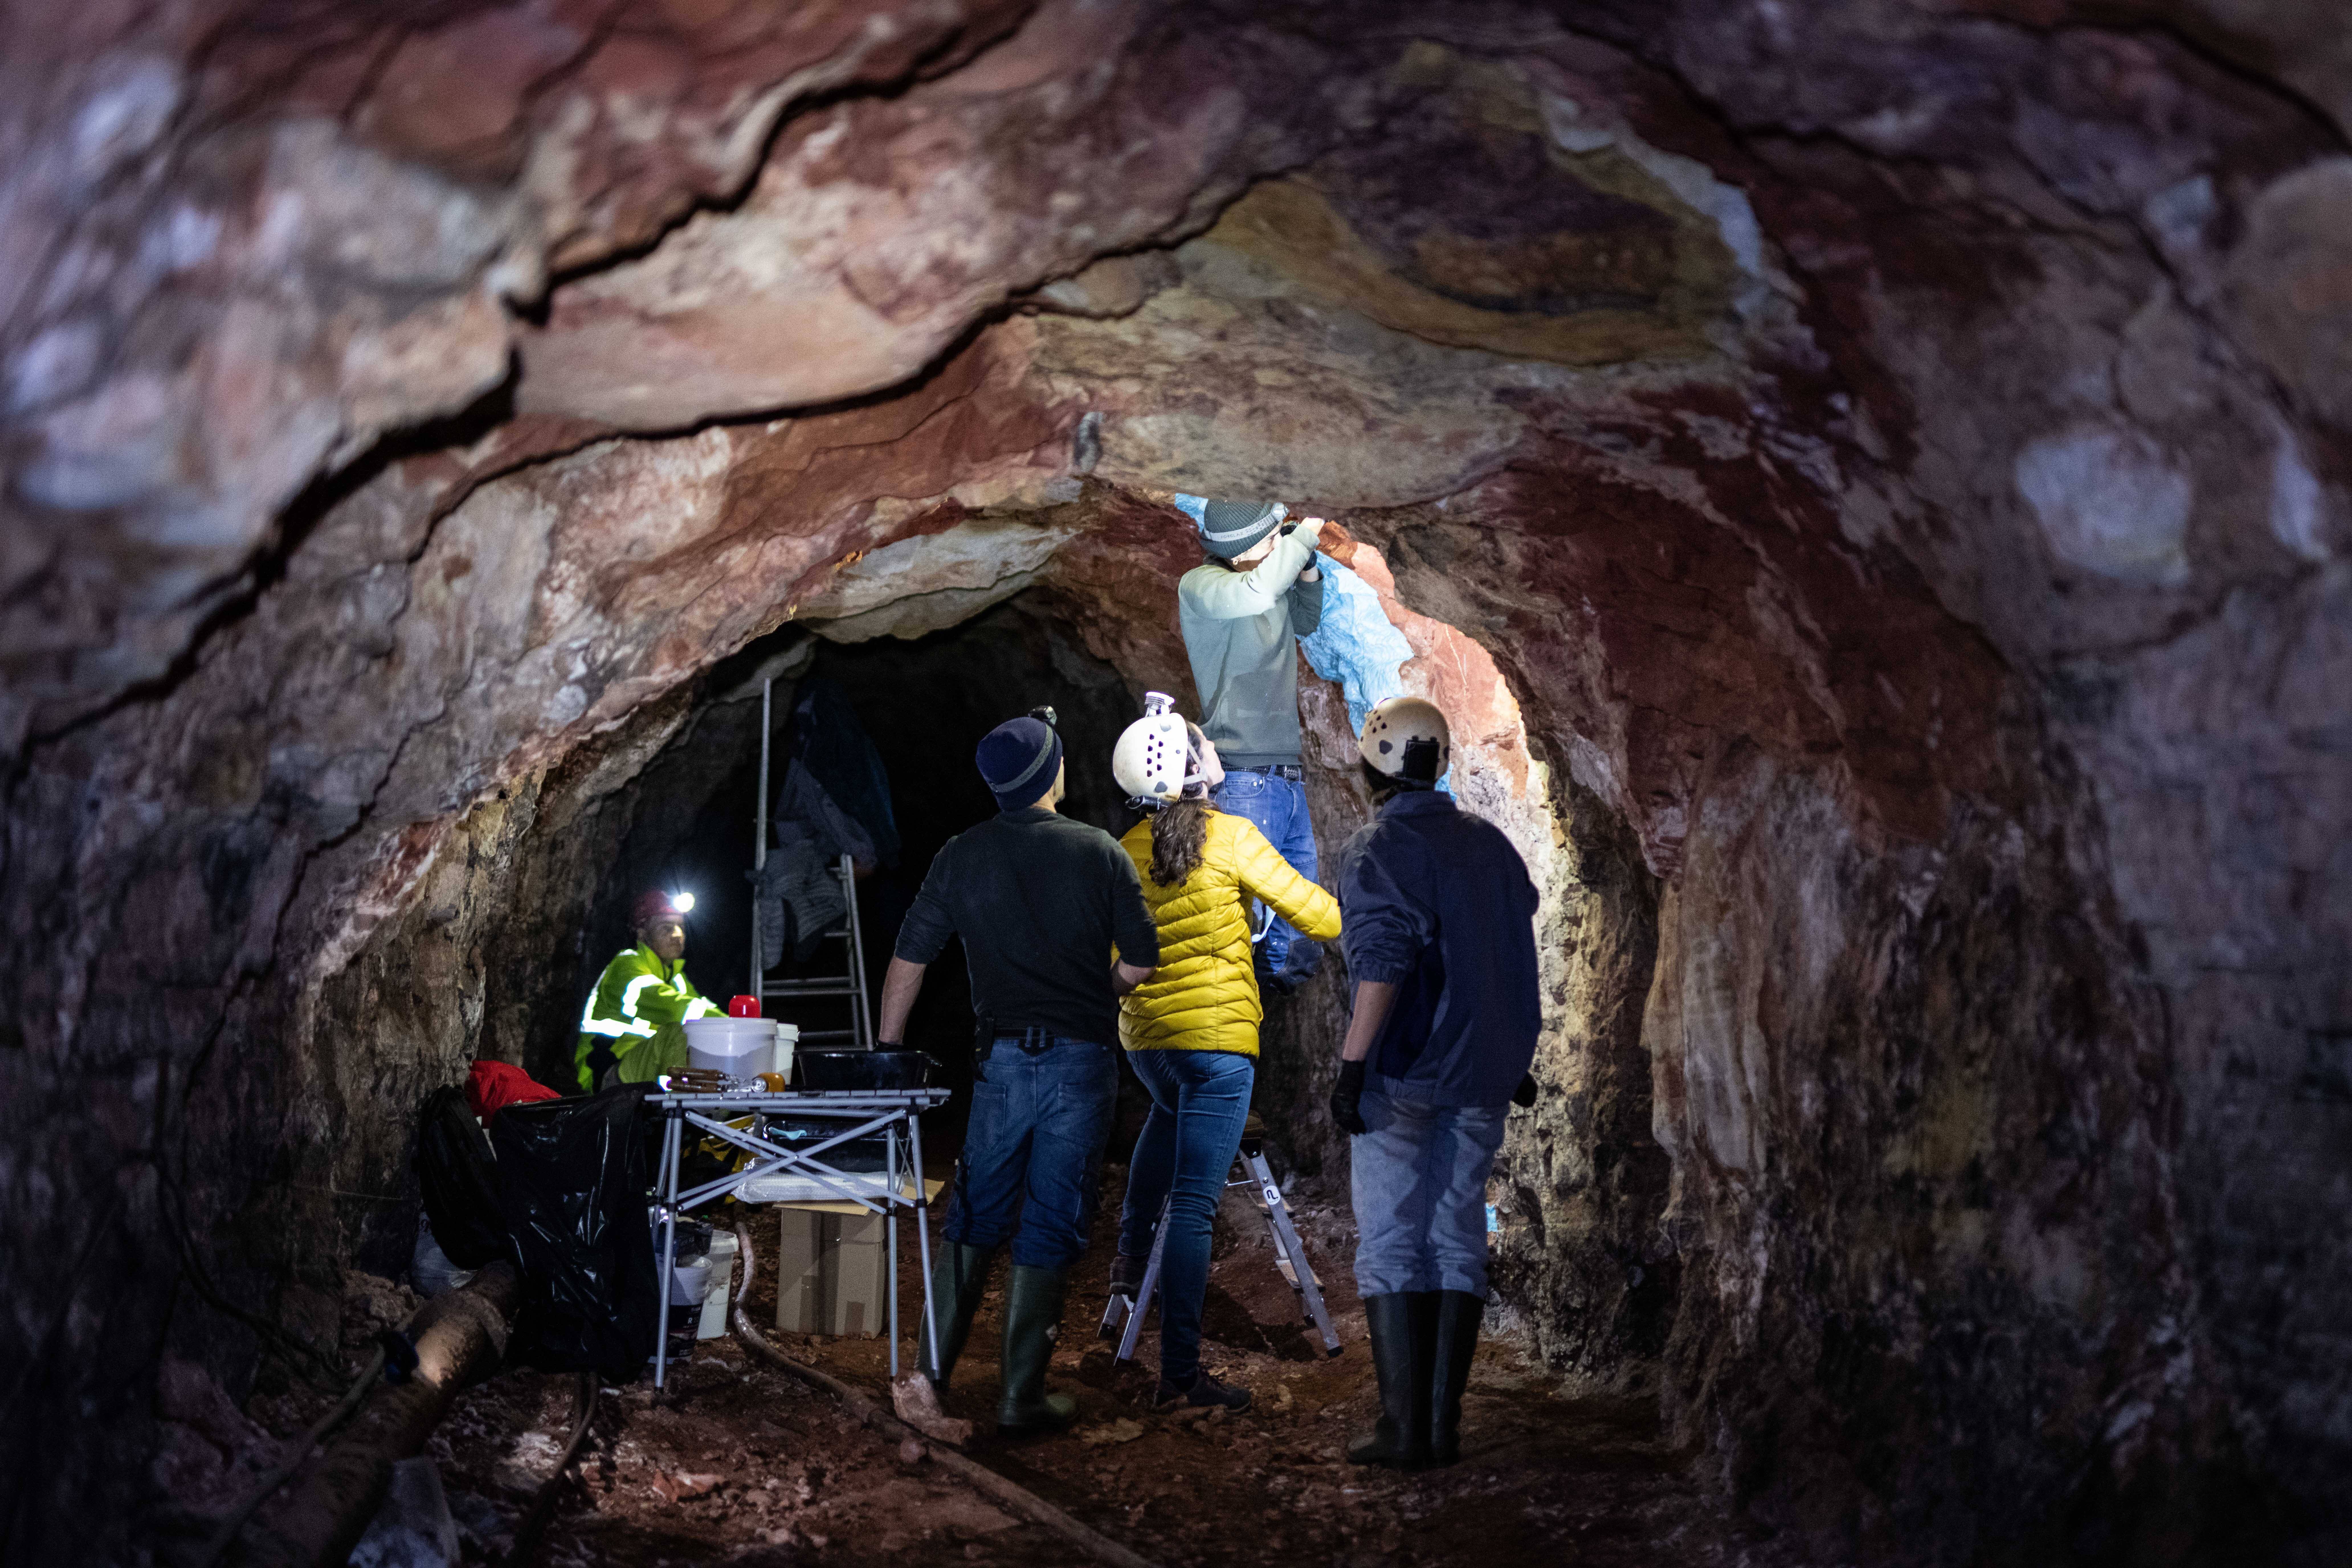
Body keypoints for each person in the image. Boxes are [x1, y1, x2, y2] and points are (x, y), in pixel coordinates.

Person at [876, 712, 1160, 1433]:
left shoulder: (960, 855)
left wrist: (888, 1048)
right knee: (1052, 1216)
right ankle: (1020, 1396)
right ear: (1050, 775)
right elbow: (1140, 961)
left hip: (1001, 1062)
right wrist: (1101, 992)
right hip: (1080, 1061)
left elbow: (911, 957)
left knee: (973, 1213)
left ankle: (929, 1377)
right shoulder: (1098, 851)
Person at [1107, 694, 1342, 1410]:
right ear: (1191, 772)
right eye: (1199, 746)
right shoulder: (1232, 837)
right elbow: (1320, 916)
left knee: (1165, 1115)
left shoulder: (1121, 853)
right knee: (1196, 1209)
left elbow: (1115, 955)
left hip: (1148, 1043)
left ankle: (1124, 1269)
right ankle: (1179, 1371)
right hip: (1217, 1047)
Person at [1327, 697, 1542, 1471]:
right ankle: (1443, 1427)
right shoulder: (1491, 847)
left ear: (1371, 762)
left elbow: (1382, 964)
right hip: (1483, 1076)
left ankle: (1401, 1428)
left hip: (1407, 1071)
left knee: (1392, 1241)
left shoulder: (1376, 848)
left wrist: (1353, 1068)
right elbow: (1515, 943)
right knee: (1456, 1239)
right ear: (1441, 762)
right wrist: (1511, 1051)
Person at [1175, 496, 1328, 986]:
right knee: (1247, 927)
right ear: (1238, 551)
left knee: (1295, 933)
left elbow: (1303, 621)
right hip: (1241, 774)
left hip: (1285, 775)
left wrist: (1307, 567)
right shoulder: (1203, 586)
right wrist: (1305, 533)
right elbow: (1260, 593)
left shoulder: (1262, 577)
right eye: (1269, 539)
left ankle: (1265, 1019)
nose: (1276, 545)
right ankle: (1230, 1021)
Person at [573, 890, 722, 1090]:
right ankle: (677, 1112)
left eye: (682, 927)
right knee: (679, 1032)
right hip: (609, 1075)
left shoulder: (677, 979)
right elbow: (674, 1009)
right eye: (666, 929)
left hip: (641, 1073)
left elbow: (705, 1011)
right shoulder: (626, 966)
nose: (678, 935)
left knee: (714, 1040)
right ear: (643, 935)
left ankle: (718, 1113)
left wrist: (739, 1028)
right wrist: (734, 1026)